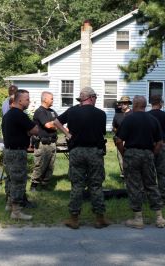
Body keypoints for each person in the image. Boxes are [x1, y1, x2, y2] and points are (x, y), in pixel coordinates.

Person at [54, 86, 110, 229]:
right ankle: (99, 218)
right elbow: (102, 132)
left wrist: (67, 134)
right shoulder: (101, 114)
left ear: (82, 98)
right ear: (91, 98)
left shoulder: (72, 111)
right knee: (96, 185)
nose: (96, 100)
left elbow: (56, 122)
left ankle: (74, 219)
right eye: (95, 98)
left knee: (77, 185)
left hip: (76, 151)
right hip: (94, 152)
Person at [115, 95, 165, 229]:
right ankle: (159, 218)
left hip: (132, 153)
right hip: (148, 153)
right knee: (151, 184)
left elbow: (118, 140)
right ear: (144, 105)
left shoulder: (129, 119)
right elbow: (160, 142)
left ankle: (138, 218)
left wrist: (124, 154)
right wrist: (152, 154)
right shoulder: (153, 120)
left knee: (134, 185)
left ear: (135, 105)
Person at [2, 89, 39, 220]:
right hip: (17, 152)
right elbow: (35, 130)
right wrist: (29, 132)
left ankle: (9, 204)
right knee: (18, 181)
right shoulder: (20, 115)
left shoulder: (7, 115)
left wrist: (26, 132)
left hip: (7, 151)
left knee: (10, 179)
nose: (29, 101)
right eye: (27, 99)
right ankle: (16, 211)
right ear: (20, 100)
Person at [30, 92, 58, 191]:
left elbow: (58, 123)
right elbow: (48, 125)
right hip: (42, 143)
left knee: (50, 166)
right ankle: (34, 185)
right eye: (51, 98)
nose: (52, 100)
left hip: (52, 143)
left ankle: (45, 185)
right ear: (45, 99)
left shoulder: (52, 111)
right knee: (40, 165)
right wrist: (56, 125)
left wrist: (57, 125)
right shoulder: (40, 111)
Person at [148, 95, 165, 204]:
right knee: (162, 172)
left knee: (149, 172)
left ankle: (151, 196)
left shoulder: (147, 115)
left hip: (150, 145)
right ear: (160, 103)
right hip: (162, 144)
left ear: (151, 103)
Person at [112, 96, 132, 178]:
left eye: (125, 103)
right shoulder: (117, 114)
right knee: (120, 157)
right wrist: (115, 130)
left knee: (130, 157)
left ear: (128, 104)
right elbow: (114, 126)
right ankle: (124, 174)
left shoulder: (132, 113)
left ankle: (131, 174)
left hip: (130, 139)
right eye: (121, 103)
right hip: (119, 138)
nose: (123, 104)